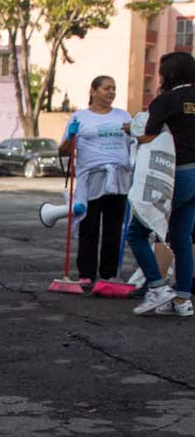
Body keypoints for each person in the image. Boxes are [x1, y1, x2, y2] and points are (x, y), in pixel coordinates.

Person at [127, 52, 195, 317]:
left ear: (169, 75)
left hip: (175, 175)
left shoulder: (166, 100)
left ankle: (157, 287)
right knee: (181, 237)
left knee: (137, 232)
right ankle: (182, 300)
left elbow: (148, 135)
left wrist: (129, 127)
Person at [58, 76, 132, 289]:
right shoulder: (79, 117)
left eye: (114, 89)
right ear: (93, 91)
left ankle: (108, 274)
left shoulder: (123, 116)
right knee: (89, 227)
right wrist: (71, 137)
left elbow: (133, 143)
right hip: (91, 180)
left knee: (113, 228)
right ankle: (86, 274)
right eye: (106, 88)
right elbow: (64, 151)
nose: (111, 92)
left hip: (118, 179)